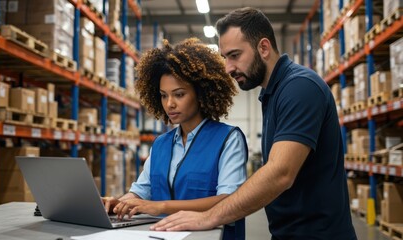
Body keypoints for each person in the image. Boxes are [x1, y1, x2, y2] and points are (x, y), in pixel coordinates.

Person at [151, 7, 358, 240]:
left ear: (264, 48)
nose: (228, 68)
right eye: (225, 58)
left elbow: (280, 173)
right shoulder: (273, 94)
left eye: (235, 55)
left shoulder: (300, 88)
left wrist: (208, 217)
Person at [102, 38, 248, 240]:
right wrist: (119, 203)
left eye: (179, 94)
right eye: (163, 95)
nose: (169, 104)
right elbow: (141, 191)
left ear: (201, 93)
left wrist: (159, 206)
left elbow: (230, 200)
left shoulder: (228, 139)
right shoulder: (161, 144)